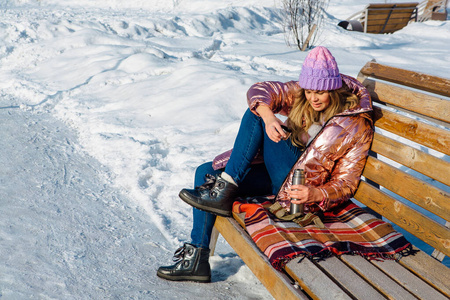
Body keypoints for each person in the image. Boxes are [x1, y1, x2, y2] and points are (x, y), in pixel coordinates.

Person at [156, 46, 373, 283]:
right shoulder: (302, 96)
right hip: (278, 173)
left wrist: (315, 193)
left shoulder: (355, 124)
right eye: (309, 90)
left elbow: (346, 182)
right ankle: (197, 257)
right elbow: (260, 89)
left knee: (255, 117)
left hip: (300, 185)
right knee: (206, 172)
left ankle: (224, 189)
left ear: (333, 88)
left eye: (320, 92)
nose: (313, 98)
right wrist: (270, 117)